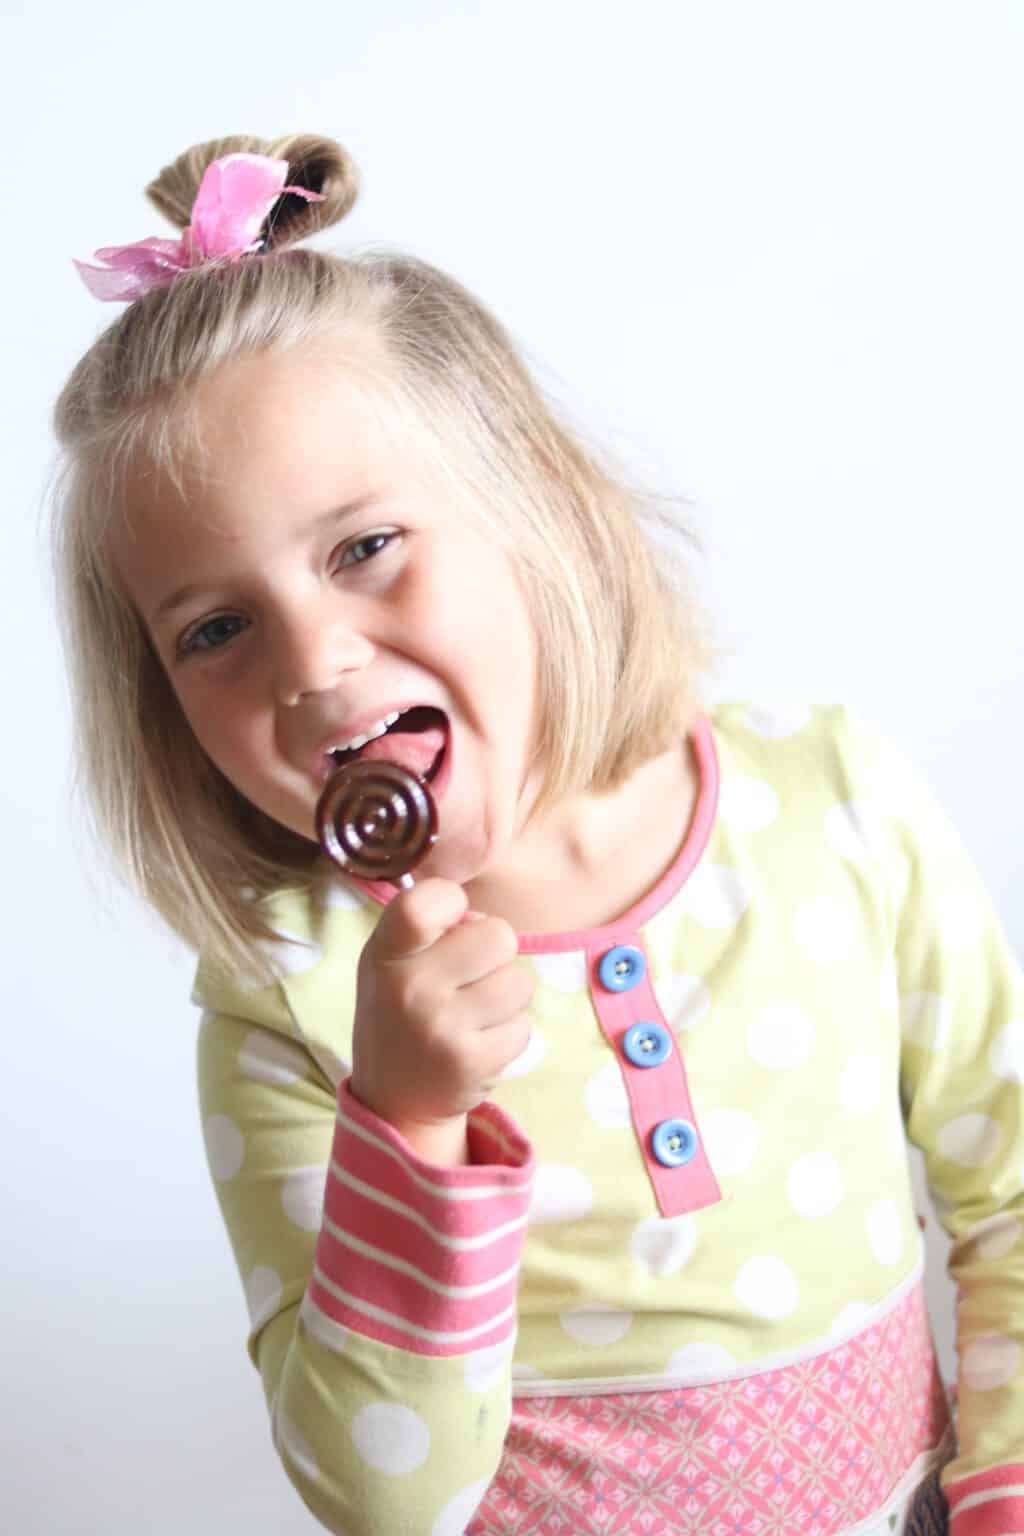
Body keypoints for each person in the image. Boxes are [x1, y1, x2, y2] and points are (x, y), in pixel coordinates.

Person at [51, 132, 1023, 1536]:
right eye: (215, 628)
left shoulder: (835, 803)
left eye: (363, 547)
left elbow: (1006, 1192)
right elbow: (382, 1500)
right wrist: (409, 1119)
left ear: (536, 508)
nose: (313, 664)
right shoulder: (285, 1003)